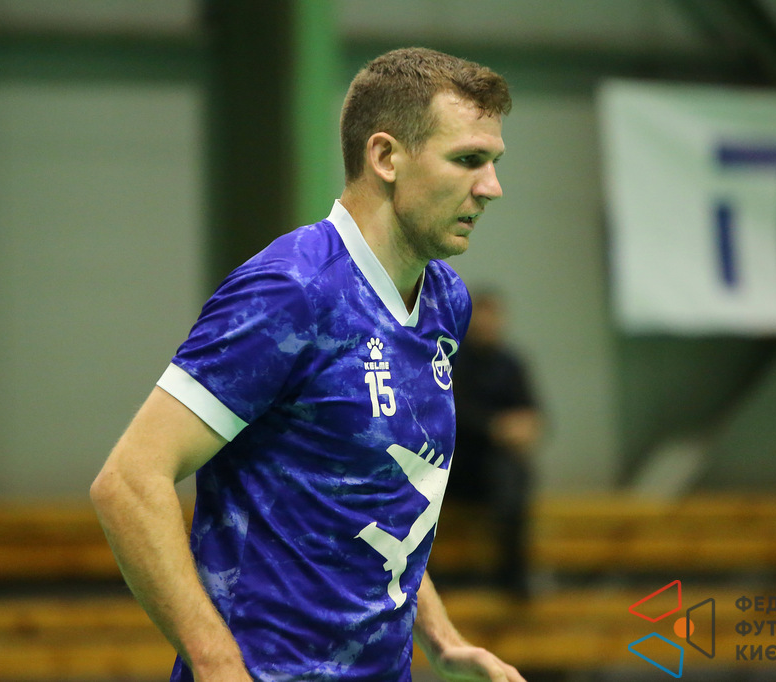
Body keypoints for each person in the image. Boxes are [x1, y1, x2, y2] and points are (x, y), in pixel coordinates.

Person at [90, 47, 525, 682]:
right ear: (385, 158)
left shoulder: (445, 301)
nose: (491, 187)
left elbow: (387, 496)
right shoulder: (292, 291)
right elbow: (130, 482)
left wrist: (442, 639)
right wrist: (216, 663)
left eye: (493, 163)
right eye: (467, 160)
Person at [445, 290, 542, 598]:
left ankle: (513, 576)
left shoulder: (511, 364)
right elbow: (453, 412)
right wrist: (495, 427)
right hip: (458, 464)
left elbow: (531, 412)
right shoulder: (451, 360)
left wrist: (526, 427)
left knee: (514, 474)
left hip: (498, 467)